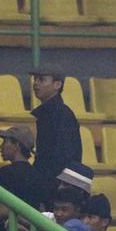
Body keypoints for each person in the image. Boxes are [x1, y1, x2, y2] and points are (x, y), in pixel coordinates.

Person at [30, 67, 82, 207]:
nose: (35, 83)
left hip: (52, 188)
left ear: (57, 85)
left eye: (41, 79)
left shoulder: (60, 115)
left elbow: (62, 155)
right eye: (35, 79)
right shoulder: (56, 113)